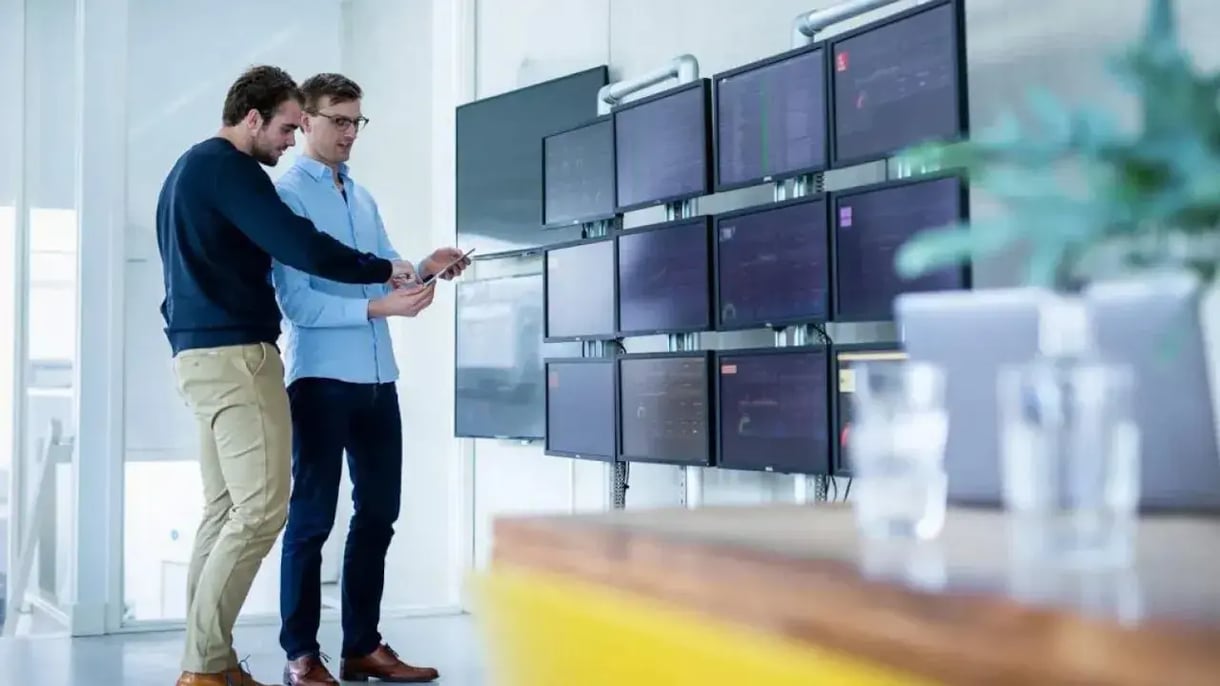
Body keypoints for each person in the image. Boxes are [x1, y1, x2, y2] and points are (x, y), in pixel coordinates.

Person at [156, 64, 423, 686]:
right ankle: (208, 667)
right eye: (288, 126)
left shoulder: (189, 169)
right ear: (253, 118)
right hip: (239, 357)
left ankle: (211, 657)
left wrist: (397, 268)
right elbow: (299, 248)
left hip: (204, 354)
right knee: (262, 513)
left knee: (227, 511)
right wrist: (380, 272)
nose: (288, 139)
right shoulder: (233, 171)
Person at [272, 73, 466, 686]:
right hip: (322, 381)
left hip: (380, 382)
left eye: (358, 122)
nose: (351, 133)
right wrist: (379, 307)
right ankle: (302, 654)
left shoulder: (361, 196)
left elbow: (385, 275)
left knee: (379, 514)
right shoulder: (286, 196)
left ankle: (362, 647)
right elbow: (298, 305)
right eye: (339, 121)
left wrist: (424, 270)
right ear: (306, 120)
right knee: (311, 519)